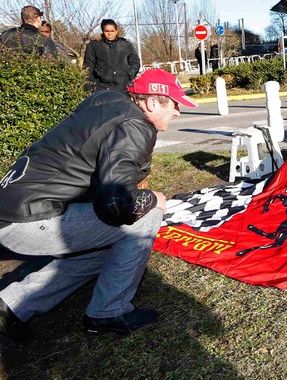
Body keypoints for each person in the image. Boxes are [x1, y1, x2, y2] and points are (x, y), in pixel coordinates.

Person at [0, 69, 197, 340]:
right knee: (147, 217)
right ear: (152, 102)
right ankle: (108, 313)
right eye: (174, 105)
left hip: (13, 210)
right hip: (30, 219)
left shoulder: (106, 100)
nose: (177, 112)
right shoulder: (136, 125)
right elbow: (115, 205)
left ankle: (13, 303)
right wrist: (153, 200)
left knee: (104, 250)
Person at [84, 19, 140, 94]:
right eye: (107, 31)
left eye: (112, 31)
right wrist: (89, 86)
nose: (110, 33)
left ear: (116, 31)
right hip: (101, 87)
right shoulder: (94, 45)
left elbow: (135, 62)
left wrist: (128, 75)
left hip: (123, 87)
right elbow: (88, 66)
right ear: (103, 31)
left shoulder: (125, 44)